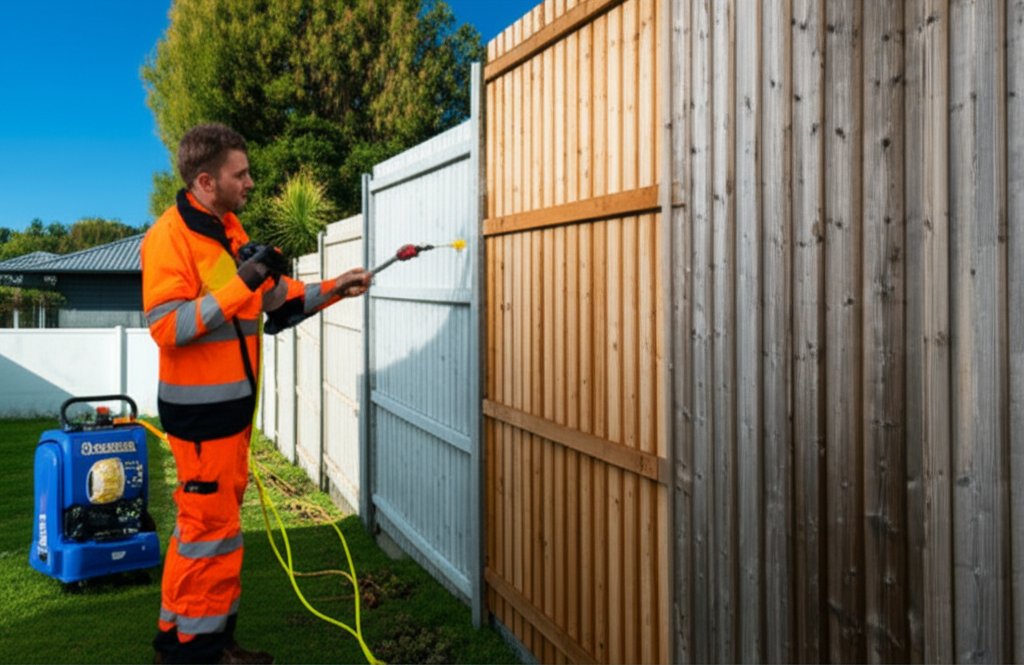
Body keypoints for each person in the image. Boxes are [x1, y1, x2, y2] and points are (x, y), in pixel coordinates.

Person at [142, 123, 371, 664]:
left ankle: (181, 639)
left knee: (199, 532)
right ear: (205, 180)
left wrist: (334, 288)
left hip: (229, 416)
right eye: (238, 173)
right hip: (202, 421)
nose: (249, 182)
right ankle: (201, 653)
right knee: (210, 535)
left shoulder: (228, 228)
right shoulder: (169, 239)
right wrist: (242, 282)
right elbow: (168, 326)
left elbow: (274, 298)